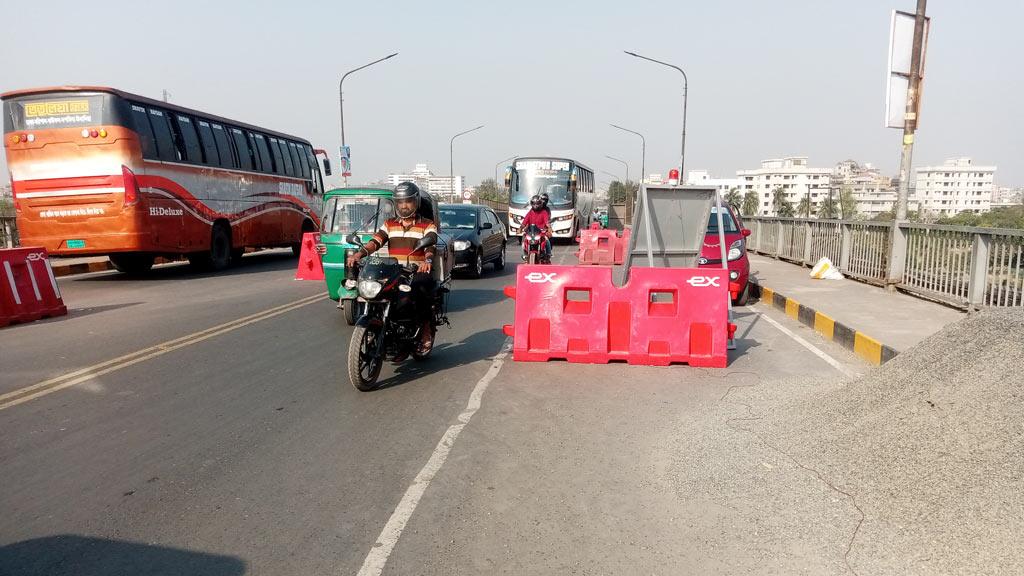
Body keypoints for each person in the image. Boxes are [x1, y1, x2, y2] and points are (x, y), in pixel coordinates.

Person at [347, 181, 438, 355]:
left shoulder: (427, 224)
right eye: (400, 202)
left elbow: (430, 245)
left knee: (421, 292)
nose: (404, 206)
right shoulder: (389, 224)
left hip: (416, 270)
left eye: (408, 201)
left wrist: (427, 261)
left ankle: (426, 329)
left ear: (416, 202)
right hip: (394, 270)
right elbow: (375, 242)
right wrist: (359, 254)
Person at [520, 194, 552, 262]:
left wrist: (549, 229)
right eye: (534, 204)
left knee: (547, 240)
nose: (536, 205)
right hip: (531, 232)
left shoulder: (544, 212)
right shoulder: (530, 212)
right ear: (531, 204)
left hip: (541, 232)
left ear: (541, 204)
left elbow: (547, 222)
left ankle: (549, 254)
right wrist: (520, 228)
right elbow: (525, 221)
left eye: (537, 204)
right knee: (524, 241)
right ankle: (525, 255)